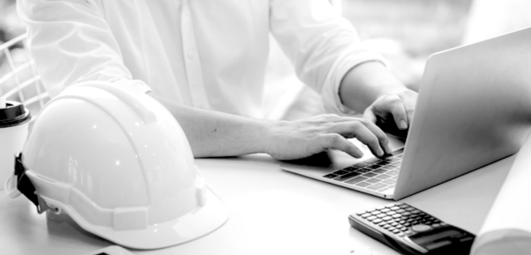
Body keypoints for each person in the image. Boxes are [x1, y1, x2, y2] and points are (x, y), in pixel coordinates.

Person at [17, 0, 417, 160]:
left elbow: (324, 41)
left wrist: (389, 93)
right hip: (137, 197)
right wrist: (270, 135)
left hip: (255, 175)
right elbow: (115, 110)